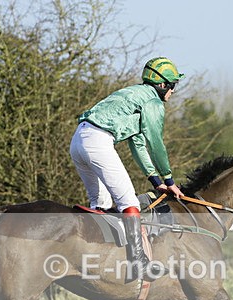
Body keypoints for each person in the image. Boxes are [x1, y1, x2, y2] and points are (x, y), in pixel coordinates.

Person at [70, 57, 185, 281]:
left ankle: (98, 257)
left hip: (78, 141)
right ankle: (139, 263)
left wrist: (155, 180)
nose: (173, 91)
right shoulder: (153, 101)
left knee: (101, 205)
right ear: (162, 85)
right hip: (98, 142)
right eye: (172, 85)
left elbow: (139, 143)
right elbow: (156, 144)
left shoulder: (133, 94)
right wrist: (170, 181)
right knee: (129, 203)